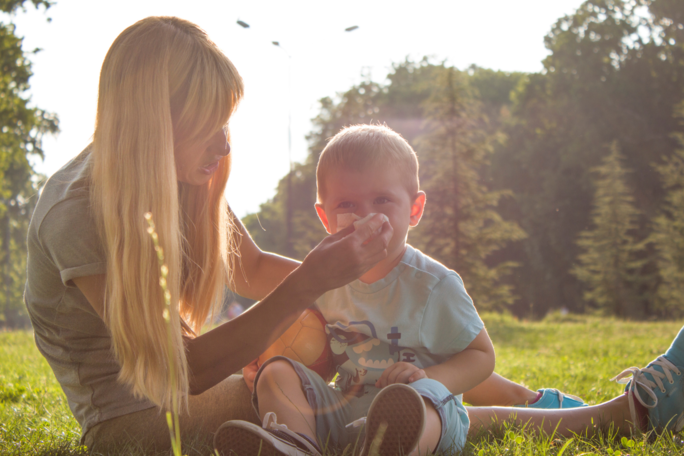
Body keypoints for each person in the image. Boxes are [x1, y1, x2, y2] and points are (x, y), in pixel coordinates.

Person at [23, 16, 682, 453]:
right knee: (373, 383)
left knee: (372, 342)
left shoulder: (176, 176)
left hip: (206, 392)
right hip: (137, 423)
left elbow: (249, 266)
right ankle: (606, 417)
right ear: (153, 121)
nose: (225, 144)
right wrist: (315, 282)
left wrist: (375, 283)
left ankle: (524, 398)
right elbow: (184, 370)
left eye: (228, 122)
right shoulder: (77, 212)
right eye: (209, 124)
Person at [213, 125, 684, 456]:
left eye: (383, 201)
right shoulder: (325, 276)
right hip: (345, 409)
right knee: (278, 370)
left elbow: (481, 357)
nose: (367, 215)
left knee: (417, 410)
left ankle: (392, 445)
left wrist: (432, 382)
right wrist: (276, 361)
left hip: (426, 411)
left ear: (415, 209)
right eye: (348, 205)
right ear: (324, 216)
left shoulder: (433, 284)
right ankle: (295, 445)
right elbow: (319, 347)